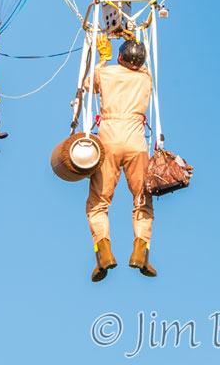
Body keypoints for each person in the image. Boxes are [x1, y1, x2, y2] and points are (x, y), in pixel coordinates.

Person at [85, 35, 156, 282]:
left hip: (109, 139)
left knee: (98, 202)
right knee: (142, 199)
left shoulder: (107, 74)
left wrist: (103, 59)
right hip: (137, 142)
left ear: (120, 57)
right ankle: (140, 252)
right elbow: (143, 66)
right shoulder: (145, 78)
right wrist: (135, 38)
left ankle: (103, 254)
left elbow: (86, 85)